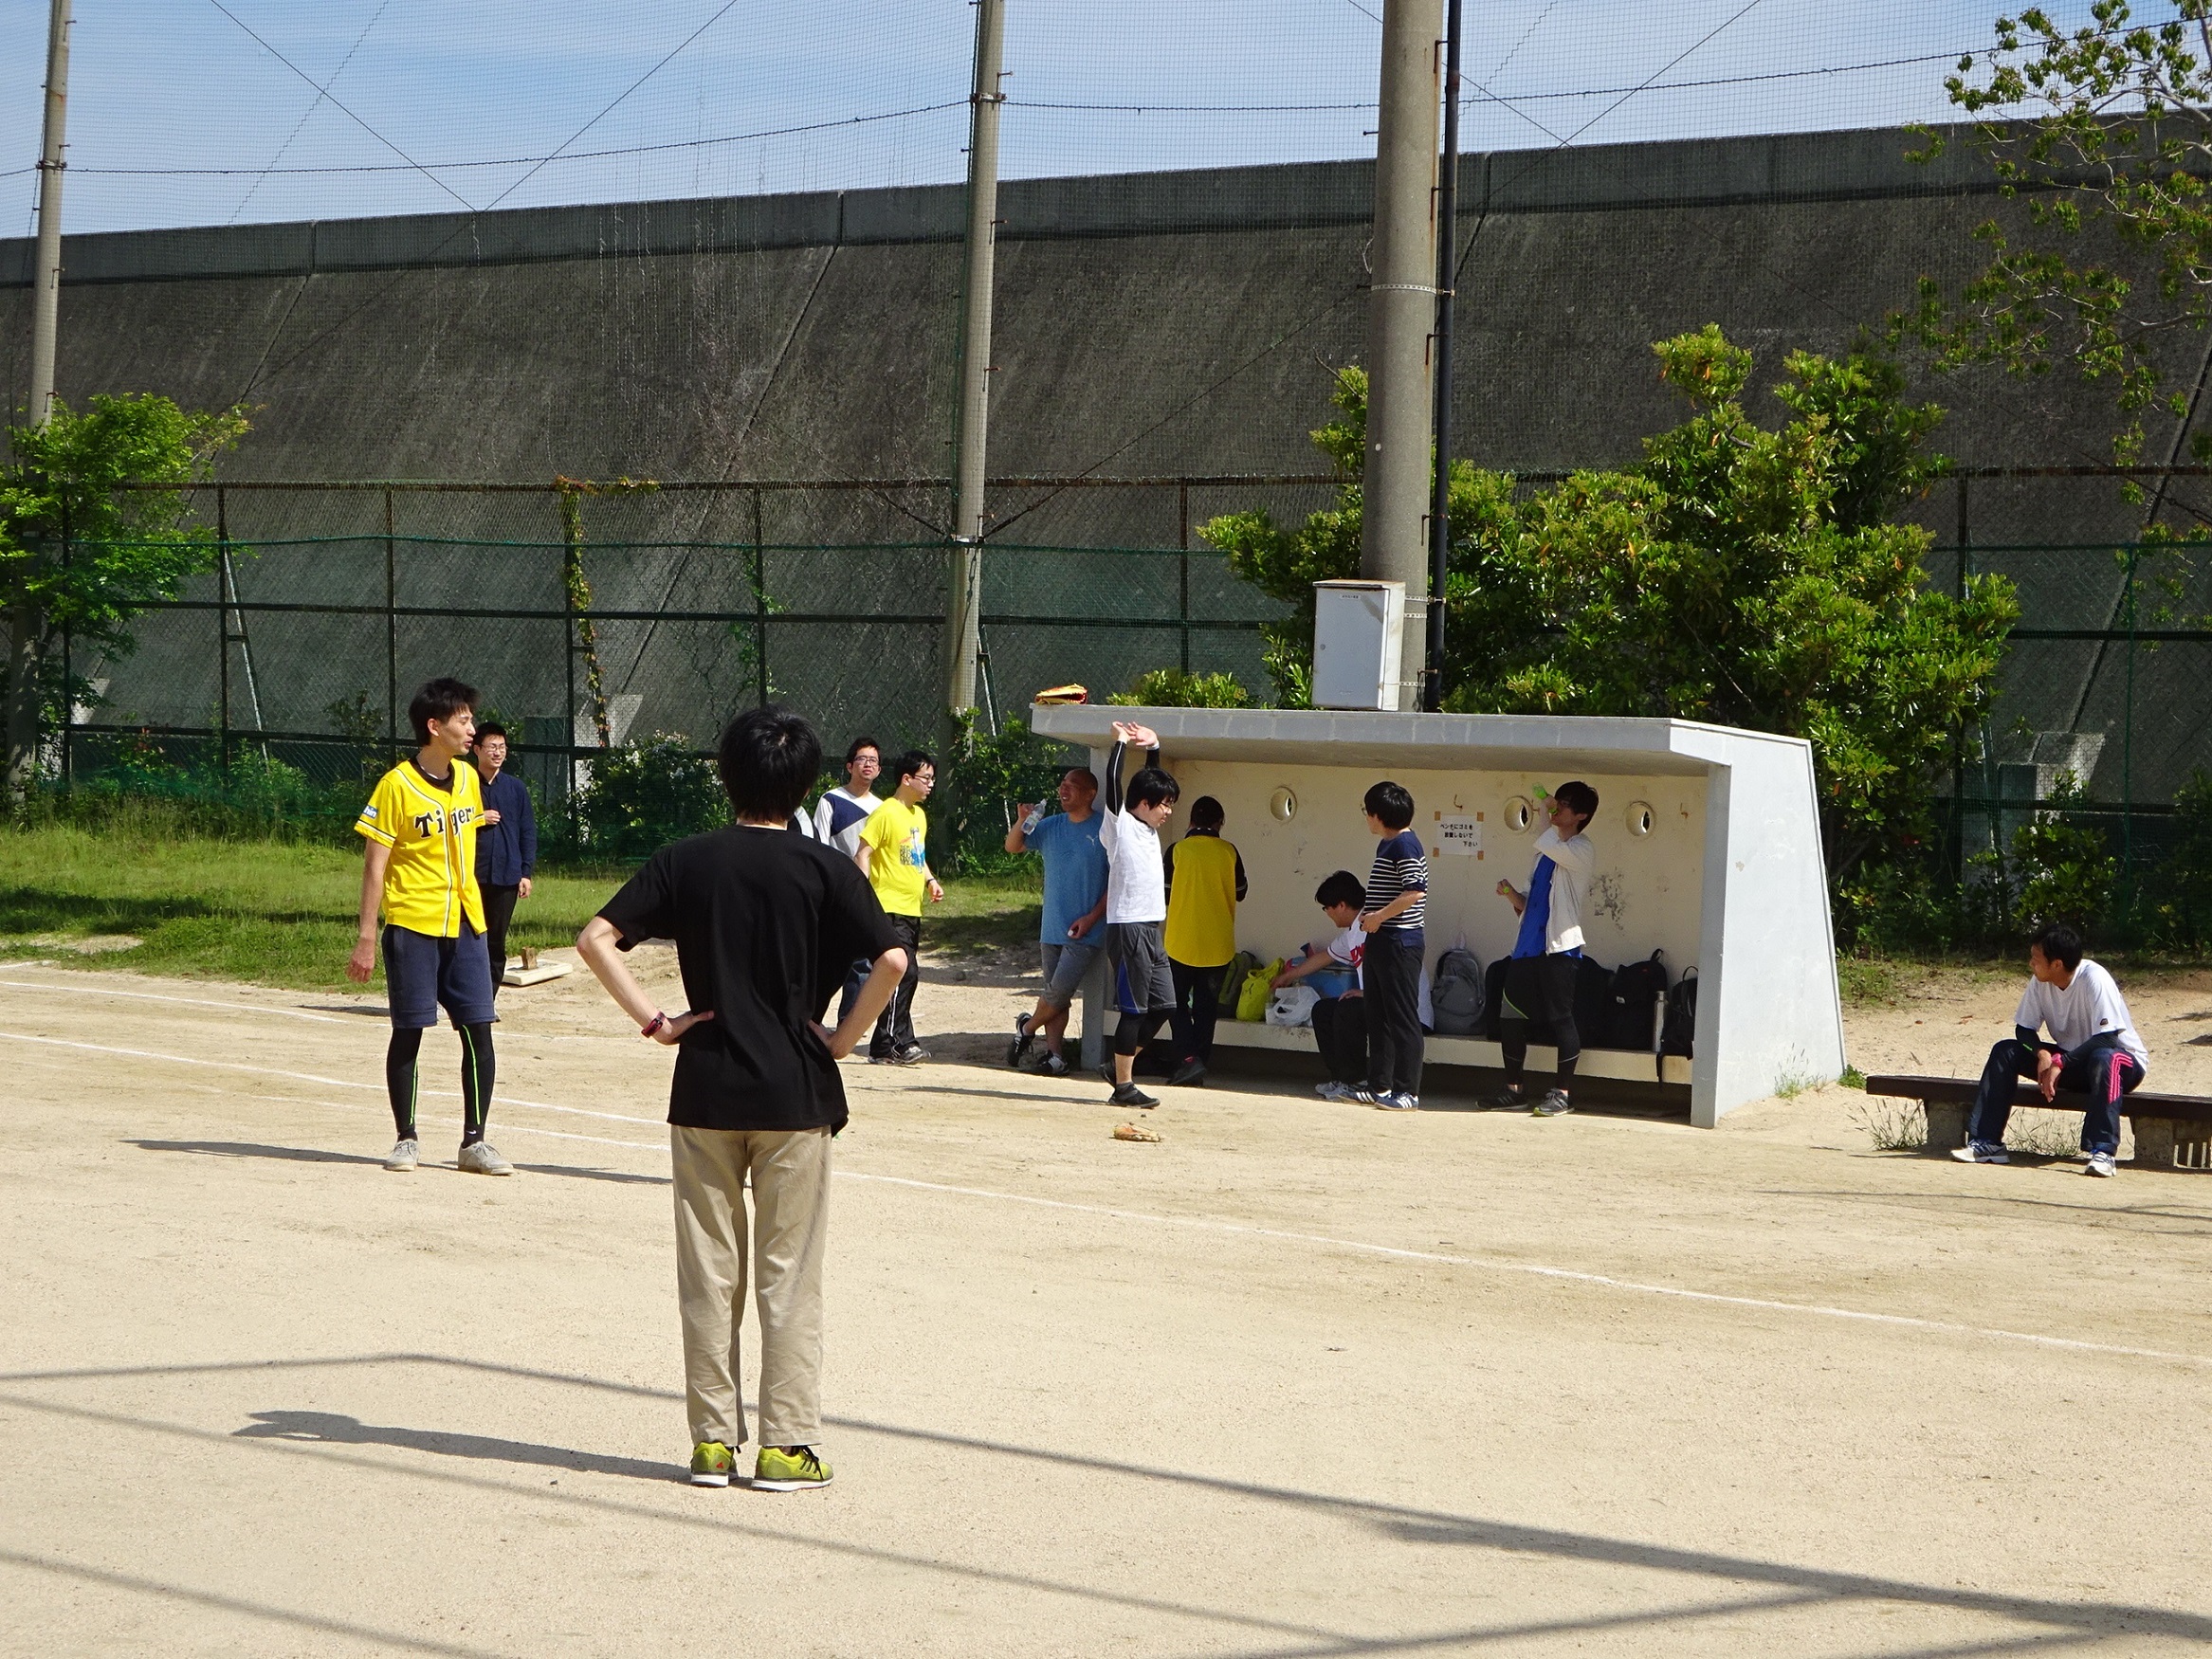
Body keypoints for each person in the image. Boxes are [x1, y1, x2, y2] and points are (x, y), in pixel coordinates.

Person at [576, 704, 907, 1491]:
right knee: (787, 1275)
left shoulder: (687, 859)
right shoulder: (826, 868)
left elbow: (594, 939)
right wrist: (842, 1039)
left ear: (726, 777)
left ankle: (713, 1444)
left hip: (706, 1088)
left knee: (708, 1274)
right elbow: (892, 959)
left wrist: (660, 1022)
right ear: (805, 784)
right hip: (796, 1092)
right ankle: (787, 1447)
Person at [347, 677, 509, 1176]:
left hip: (466, 923)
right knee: (410, 1030)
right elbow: (374, 866)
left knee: (478, 1031)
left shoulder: (468, 779)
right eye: (464, 720)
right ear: (434, 726)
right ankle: (406, 1138)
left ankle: (474, 1142)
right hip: (412, 924)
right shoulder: (396, 785)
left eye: (472, 719)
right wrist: (367, 936)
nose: (472, 729)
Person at [1954, 921, 2148, 1177]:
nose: (2030, 964)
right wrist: (2042, 1053)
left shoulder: (2094, 978)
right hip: (2071, 1062)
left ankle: (2103, 1151)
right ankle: (1987, 1141)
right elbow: (2024, 1030)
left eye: (2036, 959)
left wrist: (2061, 1062)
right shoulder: (2040, 981)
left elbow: (2108, 1039)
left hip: (2121, 1064)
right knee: (2005, 1051)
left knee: (2105, 1059)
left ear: (2056, 964)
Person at [1490, 781, 1600, 1118]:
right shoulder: (1544, 851)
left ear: (1581, 815)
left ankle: (1562, 1093)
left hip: (1559, 950)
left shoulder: (1581, 848)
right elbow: (1529, 903)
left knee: (1561, 1018)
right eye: (1558, 802)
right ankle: (1514, 1089)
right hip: (1527, 948)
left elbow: (1550, 839)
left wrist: (1544, 809)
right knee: (1510, 1017)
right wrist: (1510, 894)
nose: (1557, 808)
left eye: (1565, 805)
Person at [1097, 720, 1180, 1109]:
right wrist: (1120, 743)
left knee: (1165, 1006)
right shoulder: (1121, 826)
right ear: (1144, 804)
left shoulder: (1148, 828)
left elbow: (1151, 781)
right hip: (1128, 928)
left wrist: (1153, 747)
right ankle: (1124, 1088)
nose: (1168, 811)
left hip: (1151, 929)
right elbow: (1115, 782)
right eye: (1164, 804)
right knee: (1133, 1011)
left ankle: (1116, 1069)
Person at [1004, 767, 1108, 1078]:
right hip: (1051, 926)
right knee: (1055, 995)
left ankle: (1026, 1028)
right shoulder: (1050, 825)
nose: (1064, 790)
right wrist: (1022, 820)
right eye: (1062, 784)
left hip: (1085, 929)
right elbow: (1013, 846)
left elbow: (1117, 881)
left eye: (1072, 785)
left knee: (1059, 992)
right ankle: (1055, 1056)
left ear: (1090, 793)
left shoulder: (1105, 828)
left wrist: (1092, 917)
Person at [853, 750, 942, 1065]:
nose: (930, 784)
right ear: (907, 779)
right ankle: (894, 1042)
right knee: (904, 973)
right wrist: (862, 895)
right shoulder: (886, 812)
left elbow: (917, 855)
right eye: (926, 778)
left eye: (932, 779)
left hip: (911, 909)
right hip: (888, 907)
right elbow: (863, 853)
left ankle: (887, 1043)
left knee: (904, 974)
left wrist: (930, 880)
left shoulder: (918, 816)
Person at [1161, 795, 1247, 1086]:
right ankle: (1198, 1064)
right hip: (1218, 945)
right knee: (1206, 1010)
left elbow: (1165, 893)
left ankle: (1187, 1060)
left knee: (1175, 1004)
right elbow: (1241, 891)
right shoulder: (1229, 852)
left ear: (1190, 821)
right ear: (1220, 823)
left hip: (1180, 942)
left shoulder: (1177, 850)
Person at [1358, 781, 1429, 1112]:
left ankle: (1407, 1091)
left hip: (1400, 940)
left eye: (1367, 811)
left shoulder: (1405, 844)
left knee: (1402, 1017)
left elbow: (1415, 890)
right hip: (1381, 939)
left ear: (1379, 815)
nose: (1366, 818)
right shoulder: (1388, 844)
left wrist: (1379, 917)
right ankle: (1379, 1085)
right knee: (1378, 1016)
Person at [1271, 870, 1368, 1103]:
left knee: (1347, 1009)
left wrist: (1367, 992)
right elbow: (1325, 957)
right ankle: (1340, 1078)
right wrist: (1289, 976)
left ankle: (1357, 1081)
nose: (1327, 913)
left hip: (1398, 1002)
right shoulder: (1352, 933)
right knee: (1323, 1010)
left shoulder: (1372, 924)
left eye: (1327, 908)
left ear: (1341, 905)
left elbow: (1392, 968)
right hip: (1375, 998)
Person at [815, 738, 883, 1019]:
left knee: (862, 963)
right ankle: (810, 1020)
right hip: (837, 891)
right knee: (827, 960)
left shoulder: (882, 808)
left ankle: (847, 1025)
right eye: (862, 759)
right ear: (849, 766)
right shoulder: (831, 800)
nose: (868, 764)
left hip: (869, 892)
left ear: (879, 770)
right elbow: (819, 844)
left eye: (873, 760)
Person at [470, 720, 537, 996]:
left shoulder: (515, 788)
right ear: (477, 749)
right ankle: (460, 997)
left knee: (495, 941)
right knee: (467, 939)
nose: (497, 752)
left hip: (506, 876)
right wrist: (478, 818)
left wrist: (525, 872)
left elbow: (527, 830)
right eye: (491, 747)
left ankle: (487, 1000)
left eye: (502, 747)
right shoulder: (464, 784)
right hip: (470, 876)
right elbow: (450, 821)